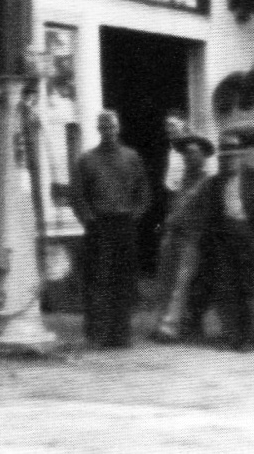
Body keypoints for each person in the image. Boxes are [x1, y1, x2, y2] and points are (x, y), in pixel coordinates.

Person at [68, 110, 150, 349]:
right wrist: (89, 220)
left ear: (118, 128)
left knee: (123, 280)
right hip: (98, 225)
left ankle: (120, 334)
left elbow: (144, 192)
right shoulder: (87, 160)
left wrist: (134, 214)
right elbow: (77, 196)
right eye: (104, 128)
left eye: (112, 127)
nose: (108, 132)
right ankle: (96, 334)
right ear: (98, 130)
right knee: (97, 280)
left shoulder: (131, 157)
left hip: (124, 224)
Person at [201, 148, 254, 352]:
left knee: (251, 288)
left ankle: (251, 338)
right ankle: (232, 336)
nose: (229, 162)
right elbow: (211, 213)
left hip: (251, 238)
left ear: (240, 158)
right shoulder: (216, 182)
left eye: (233, 157)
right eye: (225, 158)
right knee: (227, 287)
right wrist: (217, 236)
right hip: (225, 239)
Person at [151, 133, 217, 342]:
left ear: (204, 157)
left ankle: (170, 327)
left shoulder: (207, 183)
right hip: (172, 236)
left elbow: (208, 214)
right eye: (186, 154)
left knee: (181, 283)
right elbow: (173, 207)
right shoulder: (181, 181)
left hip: (191, 238)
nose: (189, 158)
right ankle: (161, 323)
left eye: (194, 153)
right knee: (165, 281)